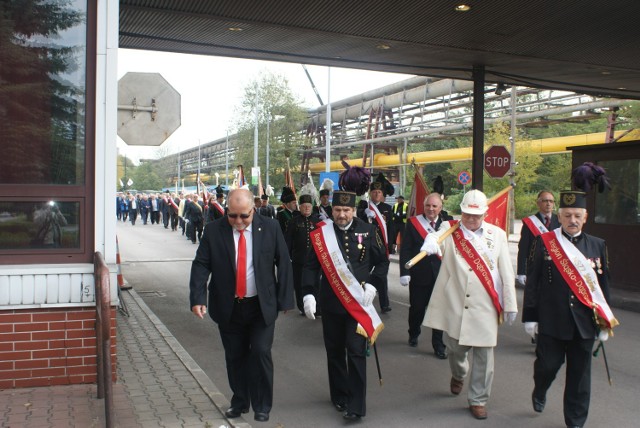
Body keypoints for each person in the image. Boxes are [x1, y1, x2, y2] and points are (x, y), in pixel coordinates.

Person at [189, 188, 294, 423]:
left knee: (260, 352)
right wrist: (197, 298)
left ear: (253, 210)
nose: (238, 221)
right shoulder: (214, 230)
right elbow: (201, 264)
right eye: (232, 215)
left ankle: (262, 404)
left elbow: (283, 263)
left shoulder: (270, 227)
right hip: (228, 306)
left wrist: (286, 298)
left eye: (243, 216)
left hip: (261, 306)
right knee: (235, 356)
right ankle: (239, 401)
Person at [522, 190, 618, 428]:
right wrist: (530, 318)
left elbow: (603, 287)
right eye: (567, 215)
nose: (572, 220)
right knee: (547, 366)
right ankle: (540, 389)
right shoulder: (544, 243)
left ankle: (575, 421)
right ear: (559, 217)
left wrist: (605, 321)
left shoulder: (598, 245)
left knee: (580, 377)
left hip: (584, 323)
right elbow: (533, 283)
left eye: (577, 215)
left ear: (585, 217)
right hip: (552, 321)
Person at [421, 189, 517, 420]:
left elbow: (505, 270)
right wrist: (430, 241)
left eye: (476, 215)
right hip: (456, 302)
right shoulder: (450, 230)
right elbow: (436, 237)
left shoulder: (498, 235)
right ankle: (459, 373)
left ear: (485, 214)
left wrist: (510, 303)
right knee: (455, 350)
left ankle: (478, 399)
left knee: (485, 356)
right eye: (466, 214)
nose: (471, 220)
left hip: (486, 306)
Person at [301, 191, 389, 422]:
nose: (342, 215)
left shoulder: (369, 231)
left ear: (354, 211)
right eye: (338, 210)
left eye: (346, 211)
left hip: (359, 303)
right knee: (335, 350)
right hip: (331, 303)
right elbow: (310, 266)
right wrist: (309, 293)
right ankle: (339, 394)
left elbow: (382, 262)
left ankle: (357, 405)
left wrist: (373, 285)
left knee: (356, 350)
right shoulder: (321, 235)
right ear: (332, 211)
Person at [399, 193, 453, 358]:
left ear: (440, 207)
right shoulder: (413, 223)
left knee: (439, 310)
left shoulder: (448, 224)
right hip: (419, 274)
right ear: (424, 206)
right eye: (428, 205)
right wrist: (405, 271)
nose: (431, 209)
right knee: (417, 309)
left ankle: (438, 345)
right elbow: (406, 248)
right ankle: (413, 333)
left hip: (441, 276)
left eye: (434, 206)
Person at [358, 173, 394, 313]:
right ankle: (361, 300)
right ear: (370, 193)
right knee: (362, 274)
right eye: (374, 192)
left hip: (381, 246)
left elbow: (390, 228)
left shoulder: (388, 208)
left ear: (382, 194)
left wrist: (390, 245)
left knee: (381, 276)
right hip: (366, 245)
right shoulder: (364, 206)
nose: (377, 194)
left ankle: (384, 304)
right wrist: (363, 212)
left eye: (379, 192)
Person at [285, 193, 321, 314]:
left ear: (312, 207)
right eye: (304, 206)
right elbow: (288, 241)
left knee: (315, 283)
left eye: (309, 206)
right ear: (299, 207)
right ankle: (302, 307)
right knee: (299, 284)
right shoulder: (293, 222)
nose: (306, 208)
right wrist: (288, 257)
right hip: (298, 259)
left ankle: (317, 306)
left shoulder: (318, 222)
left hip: (315, 259)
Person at [517, 190, 560, 286]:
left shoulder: (560, 221)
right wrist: (521, 272)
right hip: (535, 268)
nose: (548, 204)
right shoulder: (529, 223)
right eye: (545, 201)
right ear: (538, 203)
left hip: (555, 268)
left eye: (551, 201)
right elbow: (523, 248)